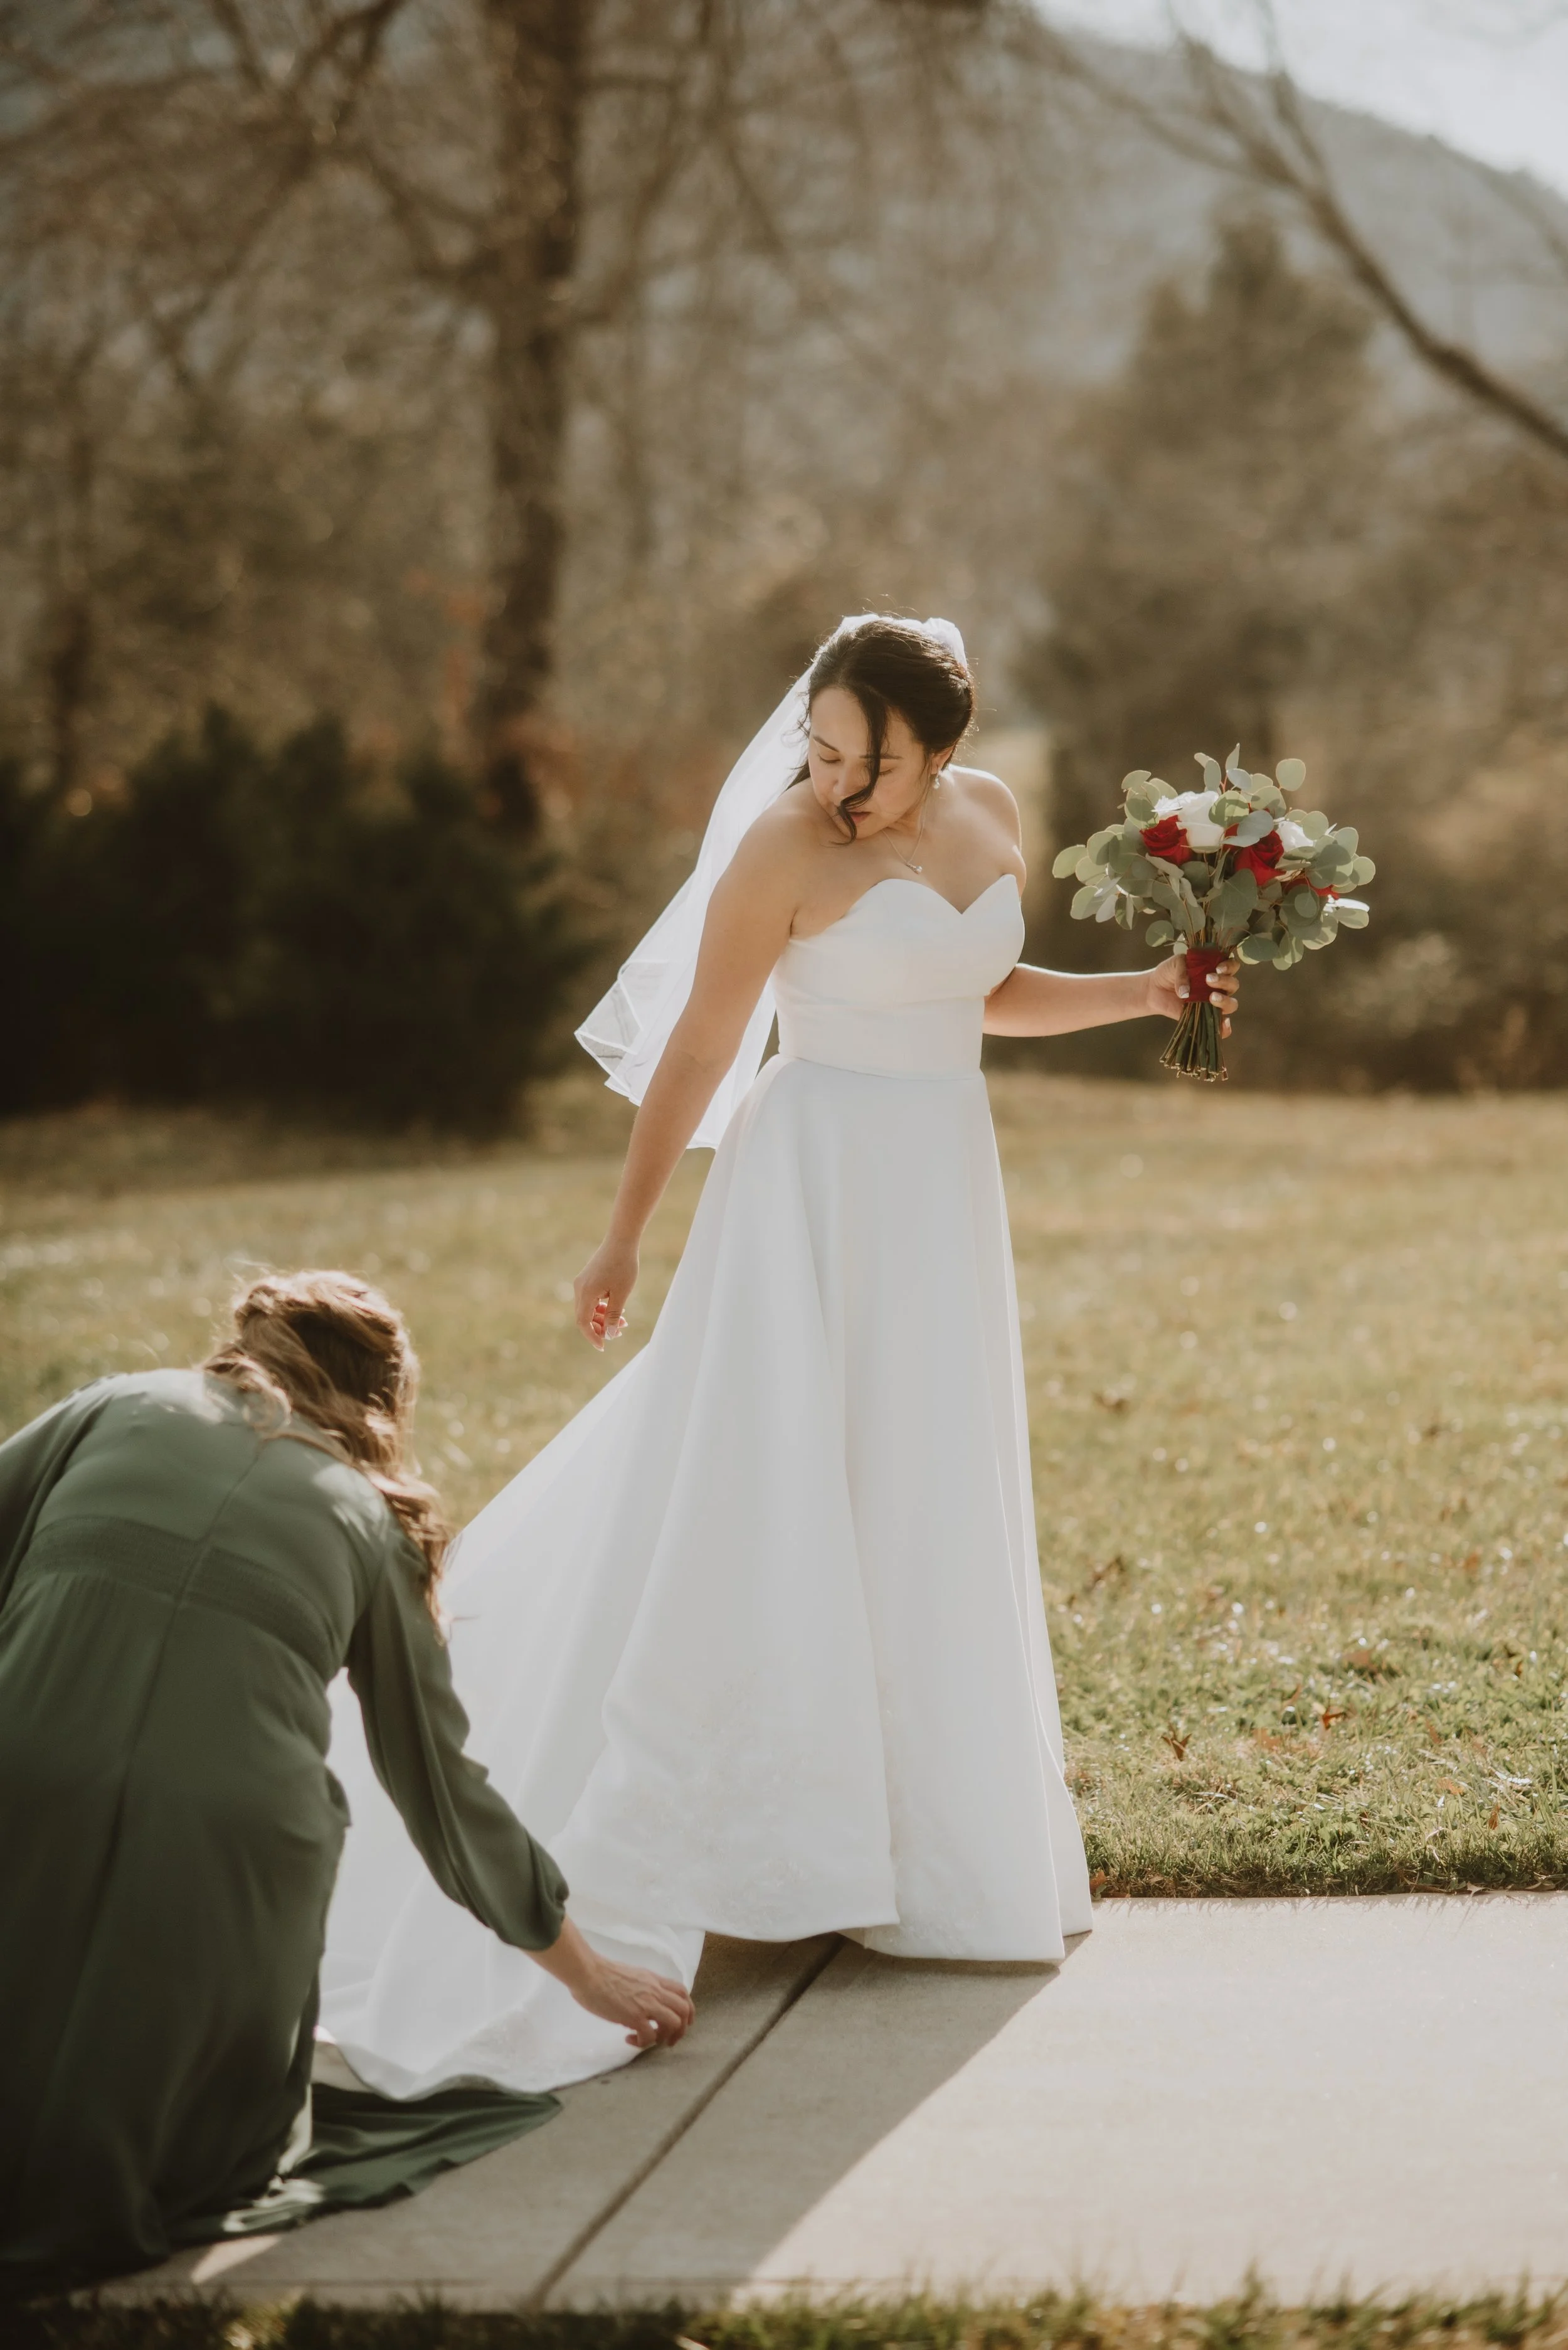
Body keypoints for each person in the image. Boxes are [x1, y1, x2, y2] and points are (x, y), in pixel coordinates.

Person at [319, 614, 1241, 2098]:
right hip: (803, 1190)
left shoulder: (990, 815)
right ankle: (654, 1830)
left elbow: (977, 996)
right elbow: (696, 1046)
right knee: (748, 1492)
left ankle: (910, 1856)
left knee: (917, 1485)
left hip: (940, 1188)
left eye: (856, 759)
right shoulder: (780, 851)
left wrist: (1139, 995)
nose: (826, 781)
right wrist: (623, 1236)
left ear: (938, 751)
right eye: (812, 749)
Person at [0, 1272, 692, 2297]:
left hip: (22, 1769)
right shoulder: (374, 1521)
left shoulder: (116, 1405)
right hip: (236, 1852)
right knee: (195, 2129)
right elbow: (444, 1794)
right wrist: (592, 1978)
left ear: (249, 1345)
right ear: (384, 1398)